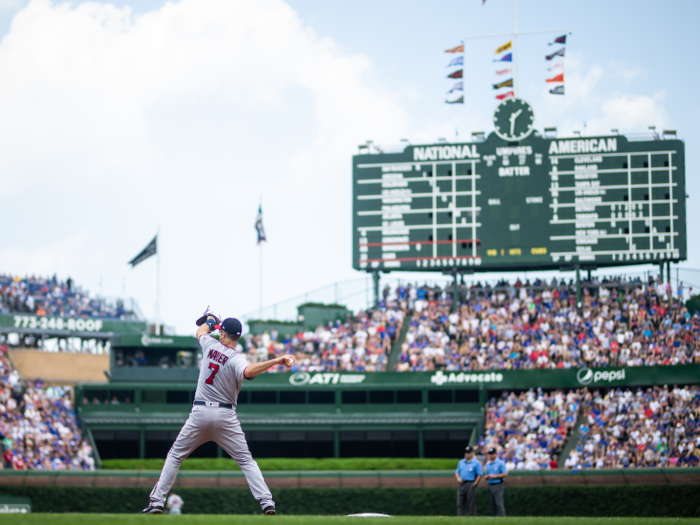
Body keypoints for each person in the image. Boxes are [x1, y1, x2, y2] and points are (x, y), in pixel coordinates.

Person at [141, 315, 296, 515]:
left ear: (222, 333)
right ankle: (267, 502)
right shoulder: (237, 358)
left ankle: (157, 502)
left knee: (175, 456)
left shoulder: (210, 345)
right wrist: (276, 360)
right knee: (246, 461)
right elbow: (249, 372)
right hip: (225, 416)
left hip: (199, 413)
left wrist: (211, 320)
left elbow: (201, 332)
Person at [455, 445, 482, 517]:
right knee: (460, 502)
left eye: (468, 452)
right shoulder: (461, 462)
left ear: (472, 453)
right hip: (462, 484)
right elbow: (457, 472)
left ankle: (472, 517)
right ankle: (461, 517)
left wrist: (475, 483)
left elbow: (480, 474)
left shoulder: (476, 462)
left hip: (470, 483)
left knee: (471, 503)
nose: (467, 454)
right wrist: (458, 478)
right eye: (466, 452)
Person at [483, 447, 508, 517]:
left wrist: (494, 476)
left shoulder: (500, 463)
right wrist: (487, 477)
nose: (490, 455)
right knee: (492, 503)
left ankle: (502, 517)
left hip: (498, 484)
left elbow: (505, 474)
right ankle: (494, 517)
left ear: (496, 454)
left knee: (499, 503)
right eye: (489, 454)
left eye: (492, 454)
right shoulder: (488, 464)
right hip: (490, 484)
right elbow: (488, 475)